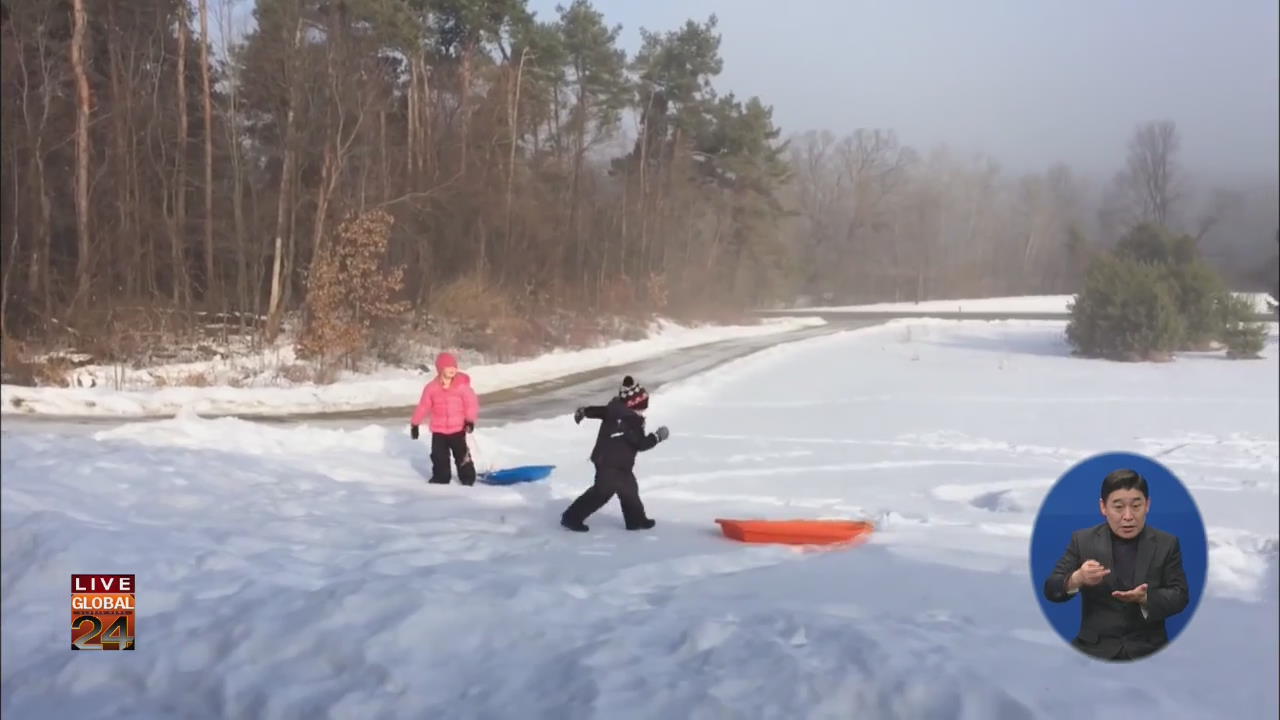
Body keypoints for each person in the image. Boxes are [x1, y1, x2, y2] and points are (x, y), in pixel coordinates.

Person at [1042, 468, 1190, 661]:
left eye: (1136, 506)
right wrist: (1077, 579)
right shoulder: (1082, 540)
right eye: (1118, 507)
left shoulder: (1167, 543)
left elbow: (1180, 596)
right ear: (1103, 507)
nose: (1128, 516)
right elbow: (1051, 589)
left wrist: (1145, 598)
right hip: (1092, 650)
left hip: (1150, 651)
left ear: (1147, 505)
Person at [560, 376, 669, 532]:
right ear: (633, 406)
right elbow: (641, 443)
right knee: (601, 493)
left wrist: (585, 411)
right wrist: (657, 436)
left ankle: (635, 520)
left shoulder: (616, 409)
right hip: (609, 463)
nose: (643, 411)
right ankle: (571, 518)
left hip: (618, 463)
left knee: (629, 490)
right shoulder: (630, 421)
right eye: (641, 408)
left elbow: (600, 411)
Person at [409, 352, 479, 485]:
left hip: (458, 429)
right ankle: (441, 479)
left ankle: (468, 478)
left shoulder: (462, 386)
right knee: (439, 457)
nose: (452, 369)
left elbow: (471, 404)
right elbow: (423, 406)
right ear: (440, 369)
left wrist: (470, 420)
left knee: (462, 456)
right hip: (439, 430)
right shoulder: (431, 388)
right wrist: (415, 424)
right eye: (448, 367)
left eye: (454, 367)